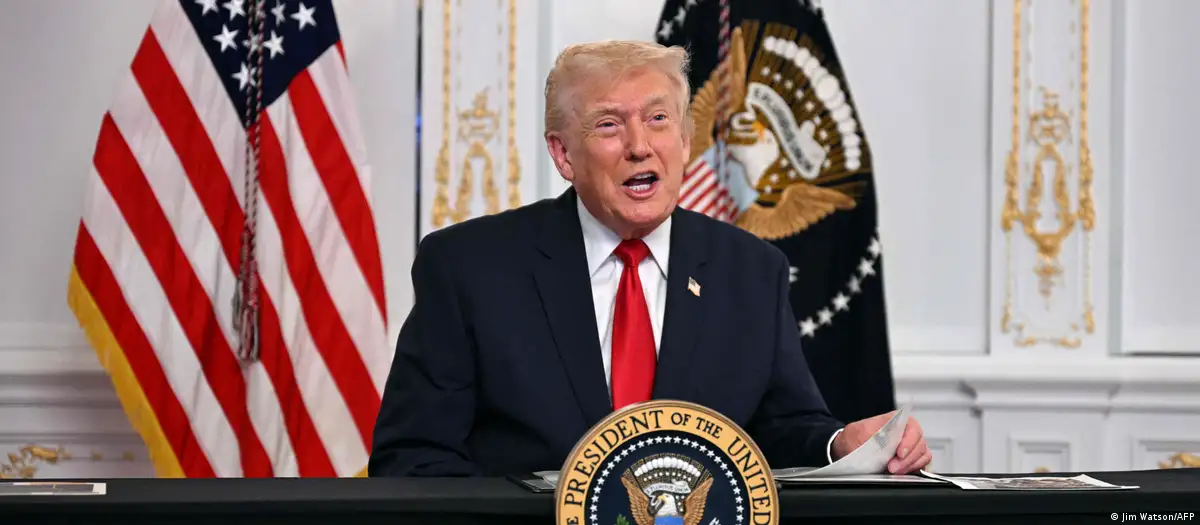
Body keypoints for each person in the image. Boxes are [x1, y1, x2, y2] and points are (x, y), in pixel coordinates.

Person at [368, 40, 932, 477]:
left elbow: (782, 426)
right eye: (609, 125)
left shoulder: (749, 269)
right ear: (563, 154)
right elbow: (415, 457)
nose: (640, 145)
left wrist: (842, 444)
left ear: (686, 141)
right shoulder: (469, 268)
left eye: (659, 119)